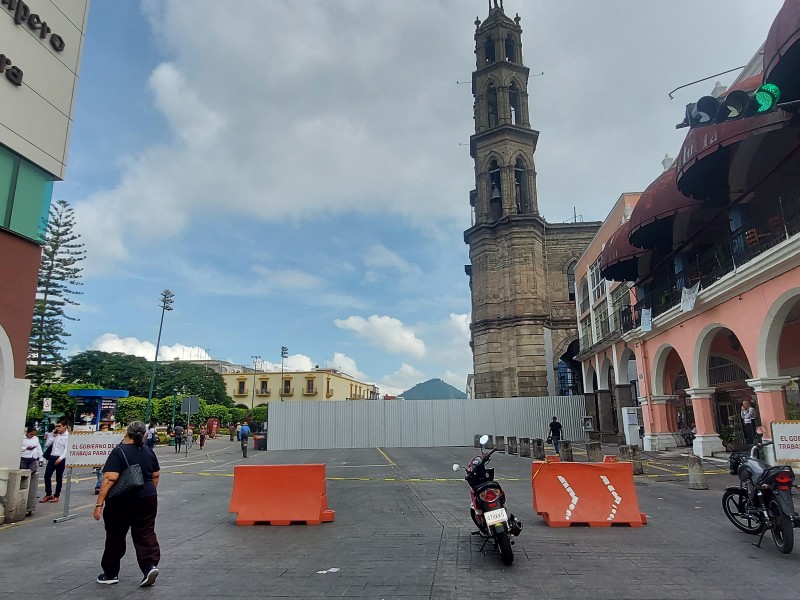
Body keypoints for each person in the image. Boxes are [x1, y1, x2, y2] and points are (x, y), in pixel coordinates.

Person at [94, 421, 161, 587]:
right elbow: (156, 475)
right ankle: (149, 566)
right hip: (148, 497)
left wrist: (99, 504)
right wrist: (147, 491)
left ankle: (110, 573)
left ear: (127, 433)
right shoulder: (148, 452)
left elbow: (109, 478)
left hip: (121, 500)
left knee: (115, 535)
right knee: (145, 532)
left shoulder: (118, 452)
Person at [41, 418, 69, 503]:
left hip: (61, 458)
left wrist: (60, 458)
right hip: (52, 457)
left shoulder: (67, 436)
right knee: (47, 476)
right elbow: (47, 444)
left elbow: (66, 449)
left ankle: (57, 495)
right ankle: (48, 494)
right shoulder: (56, 435)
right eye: (57, 426)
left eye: (59, 426)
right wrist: (53, 435)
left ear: (65, 427)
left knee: (59, 478)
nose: (57, 428)